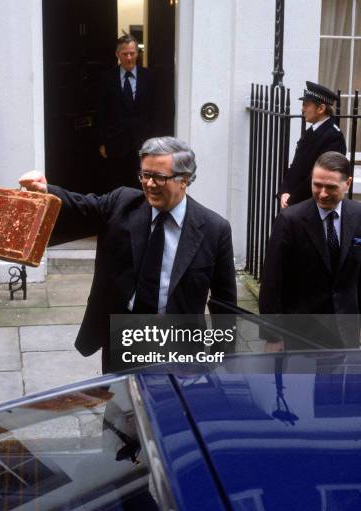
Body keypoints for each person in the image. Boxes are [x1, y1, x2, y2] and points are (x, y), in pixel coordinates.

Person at [19, 137, 237, 371]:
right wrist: (45, 191)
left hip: (179, 348)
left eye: (159, 177)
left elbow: (224, 303)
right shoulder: (121, 204)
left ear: (184, 179)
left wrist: (221, 362)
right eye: (145, 175)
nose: (150, 184)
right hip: (124, 342)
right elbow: (79, 206)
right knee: (121, 407)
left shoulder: (214, 229)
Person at [260, 151, 361, 351]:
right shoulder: (290, 220)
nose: (322, 193)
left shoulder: (358, 216)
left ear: (347, 183)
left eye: (330, 187)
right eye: (317, 185)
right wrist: (272, 336)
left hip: (346, 332)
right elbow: (272, 281)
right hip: (300, 334)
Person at [98, 34, 156, 190]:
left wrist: (157, 142)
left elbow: (157, 112)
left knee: (142, 186)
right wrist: (102, 142)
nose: (129, 57)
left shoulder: (150, 78)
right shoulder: (106, 79)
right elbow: (101, 112)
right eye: (125, 54)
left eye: (132, 53)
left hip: (144, 144)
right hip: (115, 143)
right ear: (117, 54)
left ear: (137, 53)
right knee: (117, 187)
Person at [279, 81, 346, 208]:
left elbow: (320, 176)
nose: (302, 109)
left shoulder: (334, 137)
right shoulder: (311, 131)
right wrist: (284, 191)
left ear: (321, 108)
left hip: (312, 206)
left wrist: (292, 199)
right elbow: (296, 167)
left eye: (306, 105)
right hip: (295, 204)